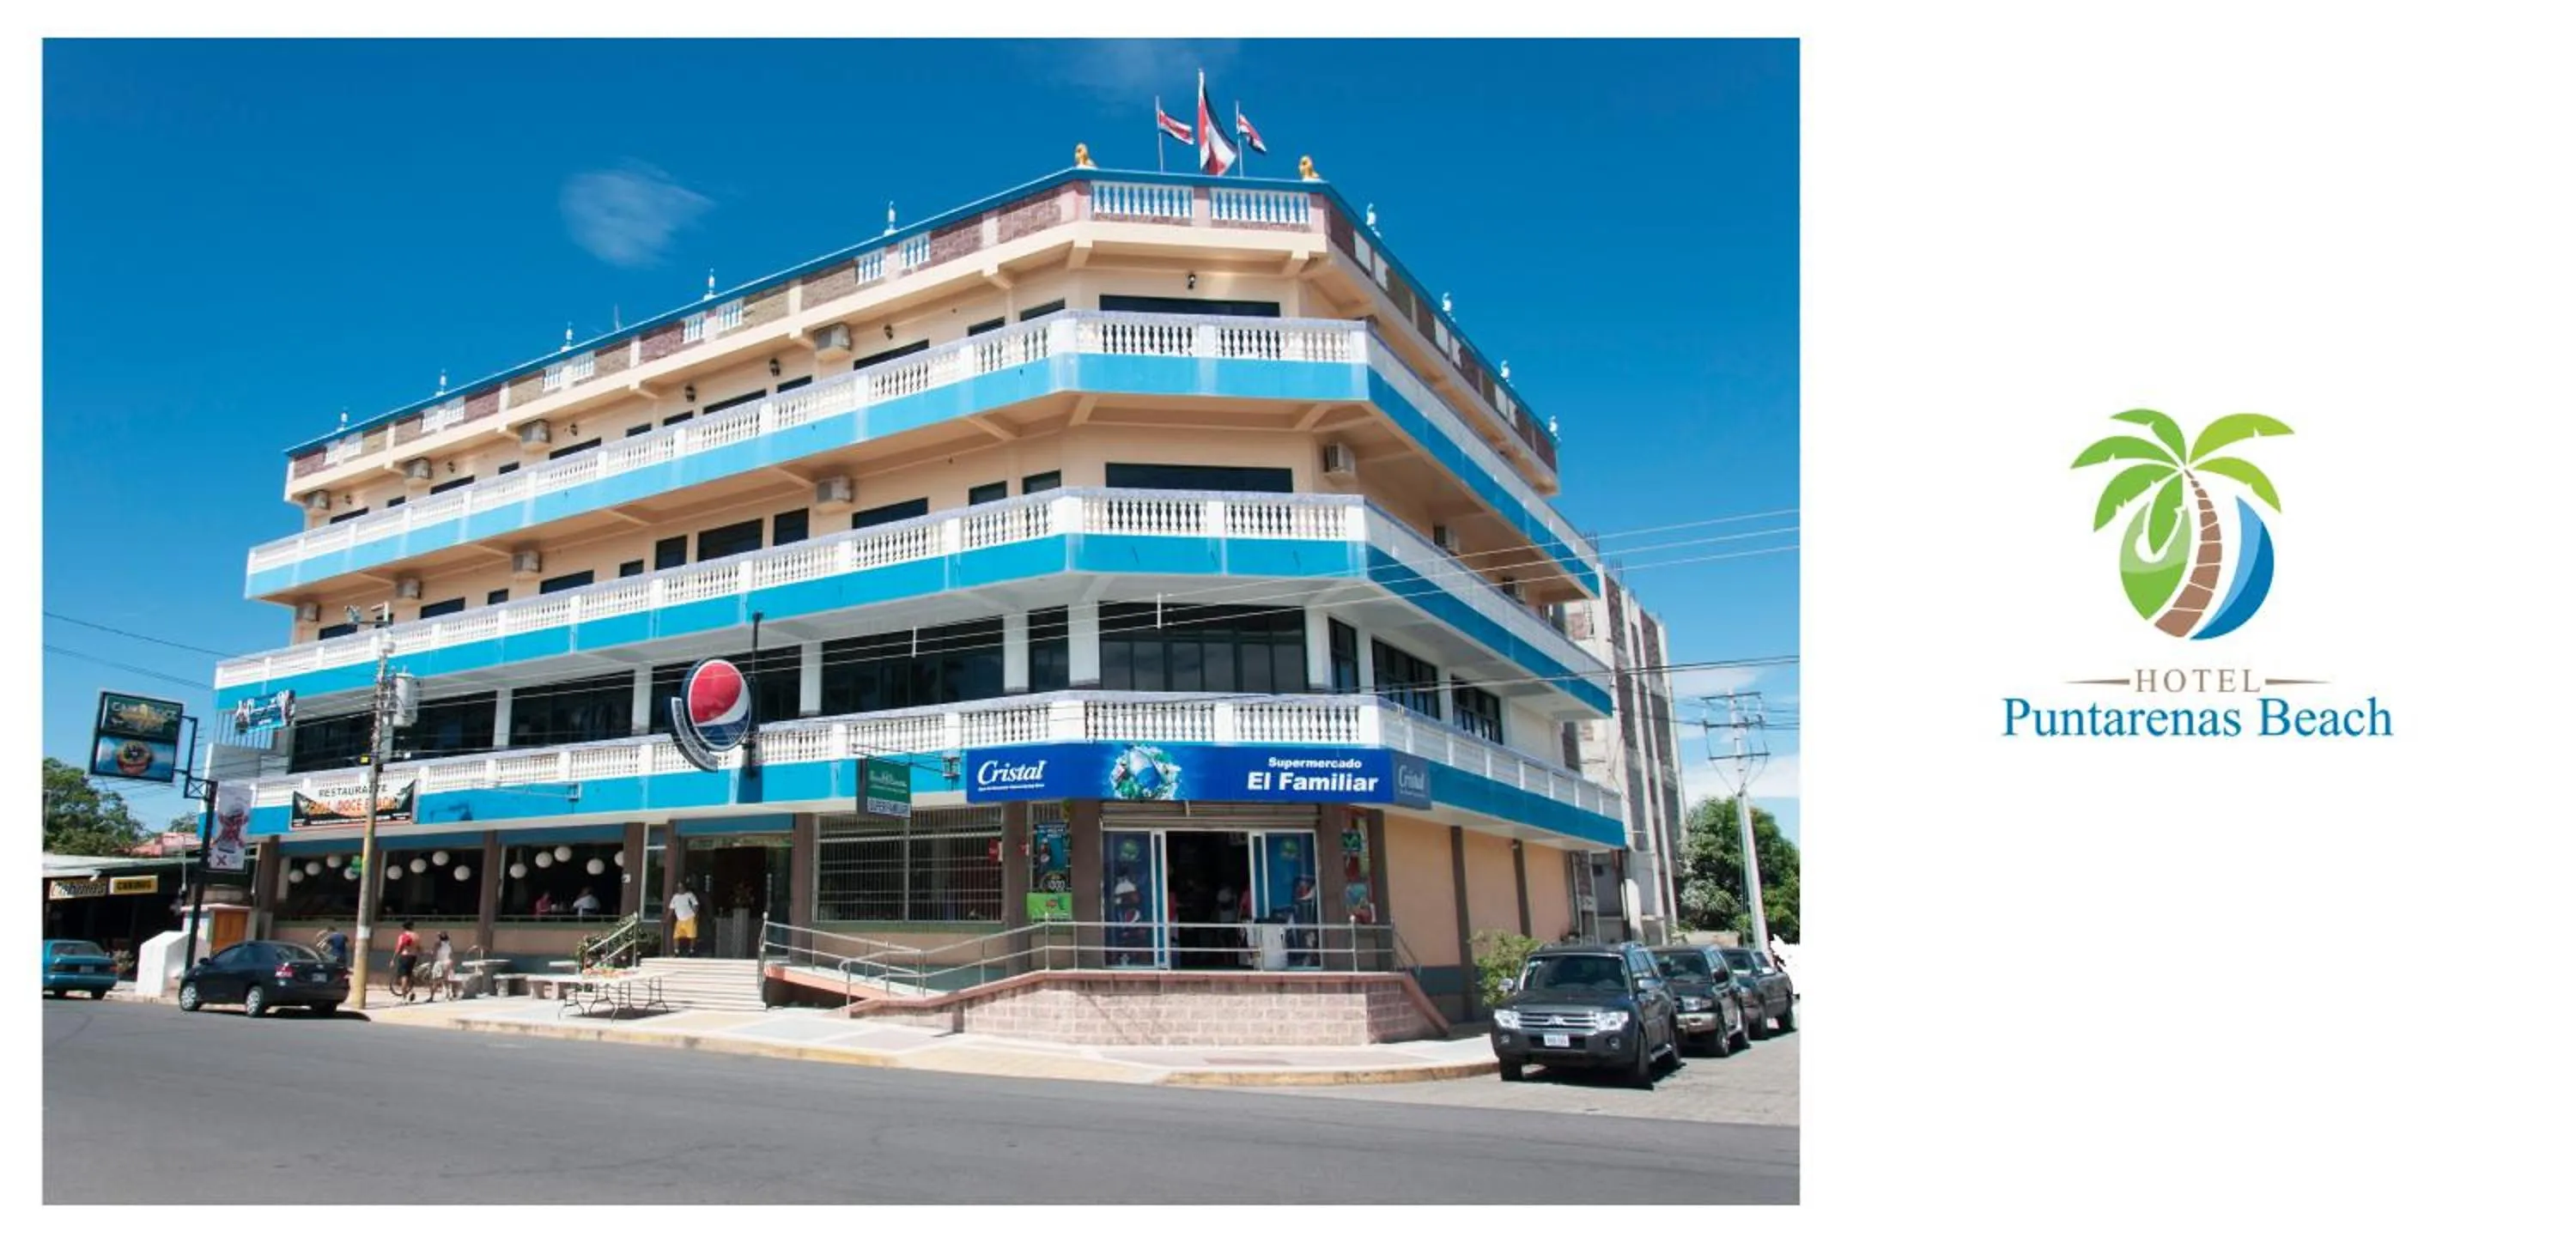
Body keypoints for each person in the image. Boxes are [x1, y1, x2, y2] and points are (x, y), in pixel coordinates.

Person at [391, 921, 420, 1003]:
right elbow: (419, 948)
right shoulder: (416, 936)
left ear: (404, 928)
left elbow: (399, 948)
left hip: (405, 956)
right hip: (413, 957)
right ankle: (411, 991)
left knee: (403, 977)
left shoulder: (403, 936)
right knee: (409, 975)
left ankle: (404, 997)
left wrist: (393, 959)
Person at [670, 882, 700, 958]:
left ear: (684, 888)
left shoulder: (690, 895)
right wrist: (666, 919)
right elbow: (671, 909)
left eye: (681, 887)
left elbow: (695, 905)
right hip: (680, 919)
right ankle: (676, 952)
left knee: (692, 936)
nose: (680, 889)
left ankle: (691, 951)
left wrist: (696, 916)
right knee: (676, 936)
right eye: (678, 887)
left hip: (690, 918)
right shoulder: (675, 897)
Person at [426, 931, 456, 1002]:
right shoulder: (449, 944)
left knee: (435, 980)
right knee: (446, 980)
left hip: (440, 963)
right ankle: (449, 995)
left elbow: (434, 953)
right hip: (448, 961)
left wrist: (431, 962)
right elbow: (452, 954)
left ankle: (432, 997)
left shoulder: (438, 943)